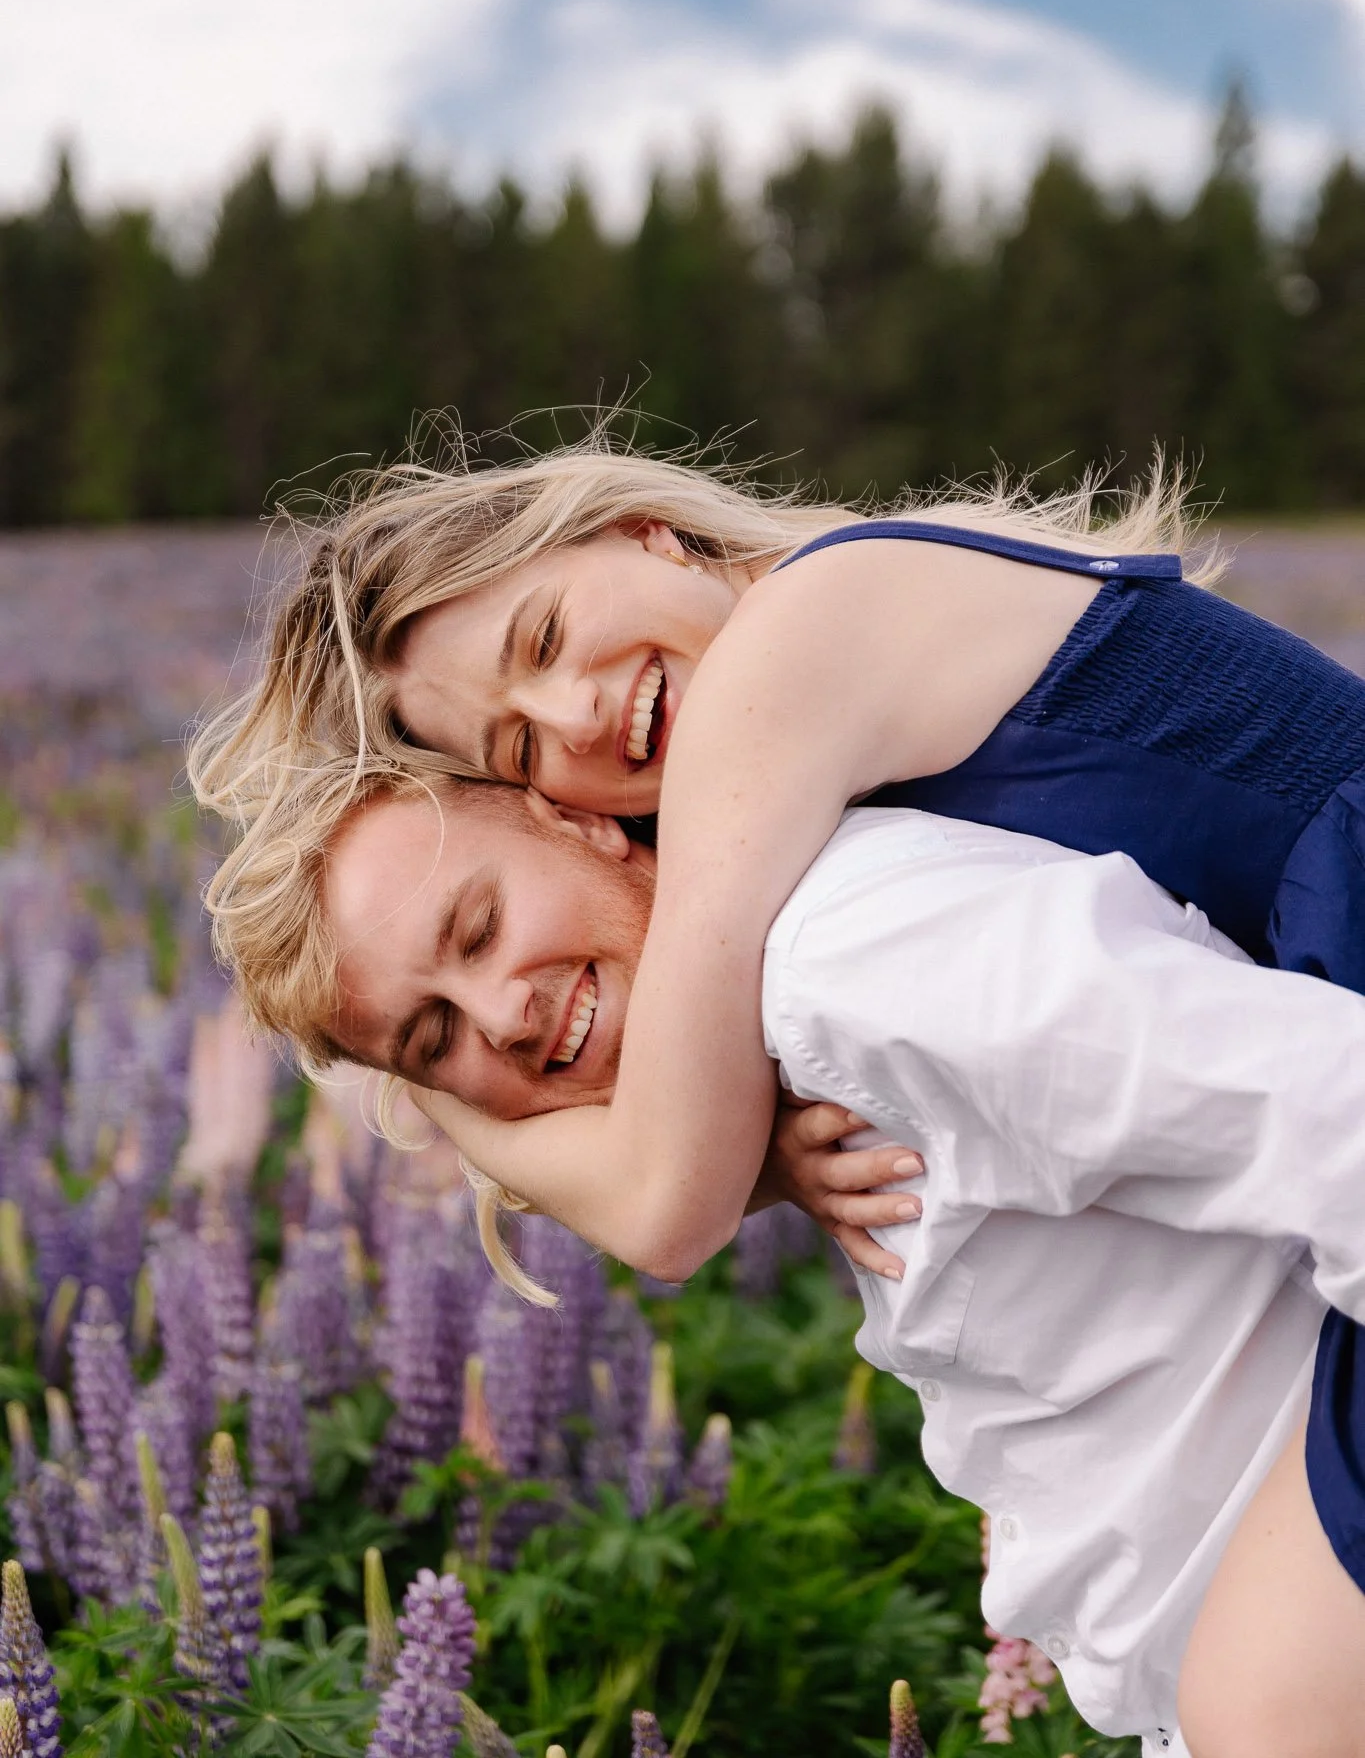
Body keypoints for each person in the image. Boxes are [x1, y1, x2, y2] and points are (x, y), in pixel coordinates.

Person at [189, 436, 1365, 1607]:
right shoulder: (787, 711)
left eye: (542, 634)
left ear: (643, 529)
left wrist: (439, 1088)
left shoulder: (783, 658)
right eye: (522, 748)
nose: (575, 710)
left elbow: (662, 1201)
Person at [206, 759, 1365, 1758]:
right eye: (434, 1037)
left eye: (478, 926)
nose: (500, 1015)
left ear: (582, 815)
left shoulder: (858, 967)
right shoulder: (773, 1047)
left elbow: (1337, 1109)